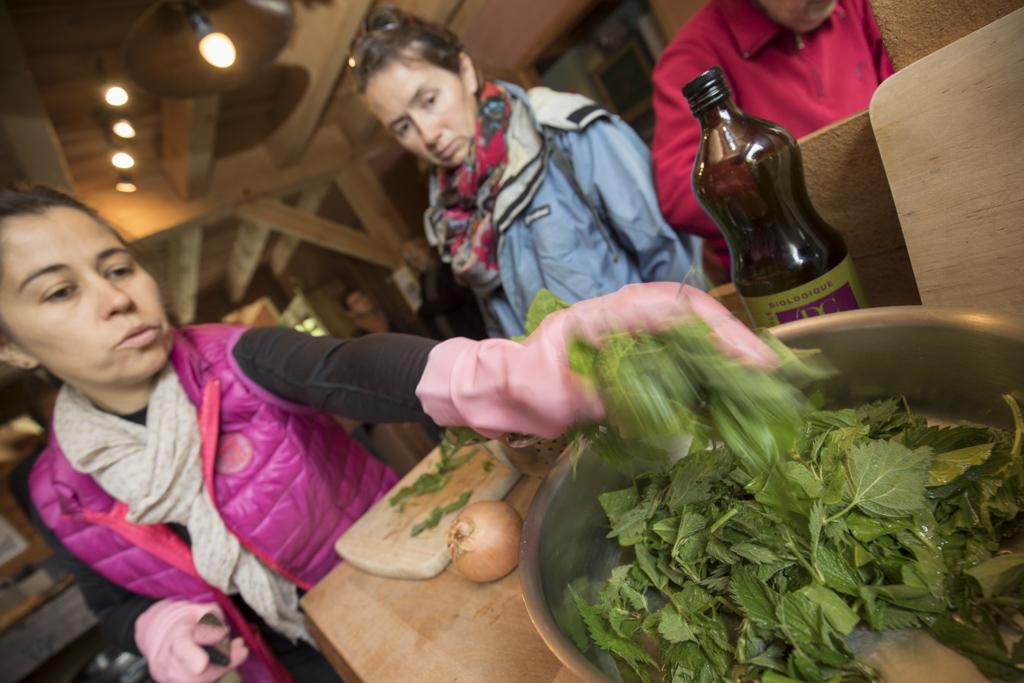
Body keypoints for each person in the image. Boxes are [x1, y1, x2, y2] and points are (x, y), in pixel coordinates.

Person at [0, 184, 772, 683]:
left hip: (402, 595)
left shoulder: (237, 358)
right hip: (282, 660)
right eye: (60, 291)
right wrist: (155, 623)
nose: (115, 299)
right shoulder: (50, 492)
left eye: (119, 267)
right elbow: (109, 595)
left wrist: (506, 375)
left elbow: (348, 365)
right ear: (12, 345)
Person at [349, 6, 704, 338]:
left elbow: (672, 263)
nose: (427, 135)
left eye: (429, 101)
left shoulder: (563, 134)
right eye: (402, 127)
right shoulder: (451, 214)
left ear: (465, 71)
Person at [651, 0, 894, 276]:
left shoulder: (857, 7)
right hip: (795, 270)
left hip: (889, 223)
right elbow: (682, 194)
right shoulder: (692, 56)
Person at [401, 237, 487, 340]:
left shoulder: (446, 266)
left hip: (467, 330)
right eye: (409, 259)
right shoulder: (423, 278)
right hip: (446, 338)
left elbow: (456, 297)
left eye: (414, 255)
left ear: (425, 248)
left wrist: (424, 309)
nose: (413, 261)